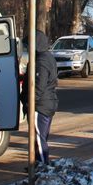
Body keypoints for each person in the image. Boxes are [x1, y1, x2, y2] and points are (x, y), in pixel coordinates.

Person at [21, 30, 58, 164]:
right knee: (40, 138)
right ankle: (38, 163)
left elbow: (38, 86)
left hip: (40, 106)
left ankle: (42, 166)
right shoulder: (46, 57)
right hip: (46, 103)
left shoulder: (41, 61)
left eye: (28, 46)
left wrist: (30, 103)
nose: (27, 49)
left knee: (38, 138)